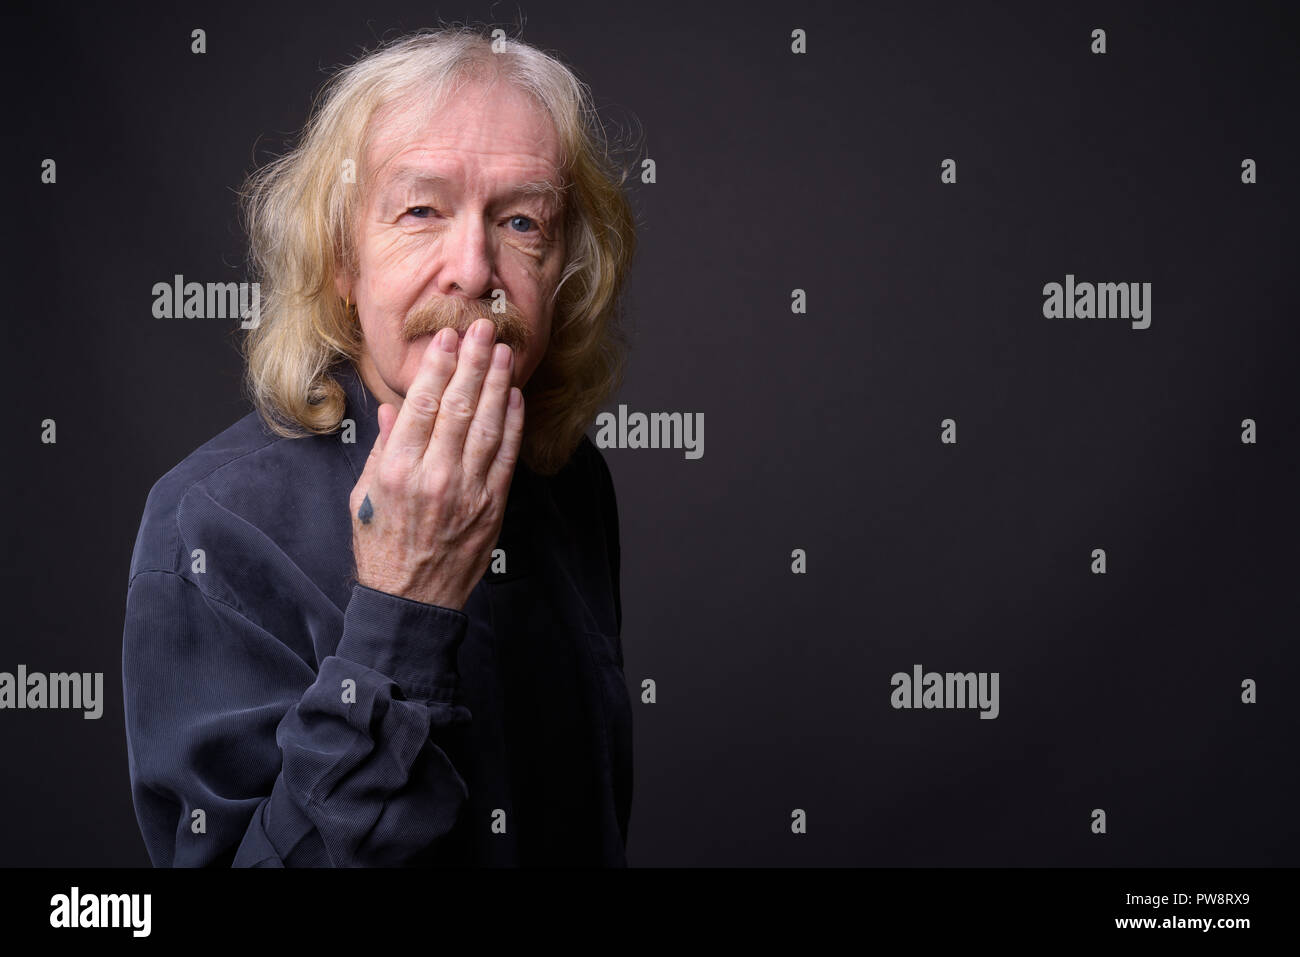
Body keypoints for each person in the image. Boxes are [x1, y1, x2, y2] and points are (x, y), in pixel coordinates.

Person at [121, 26, 637, 867]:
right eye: (421, 211)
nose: (474, 270)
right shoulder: (209, 527)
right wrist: (401, 609)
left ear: (562, 267)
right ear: (341, 263)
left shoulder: (571, 477)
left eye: (519, 221)